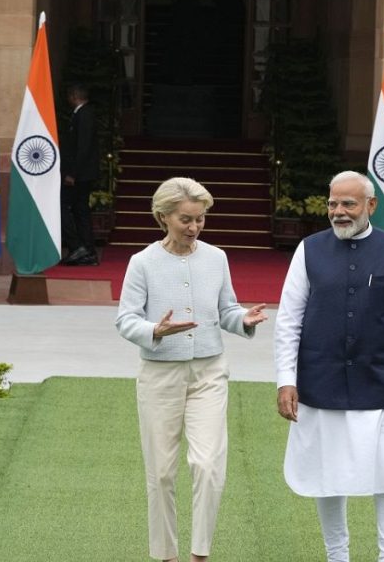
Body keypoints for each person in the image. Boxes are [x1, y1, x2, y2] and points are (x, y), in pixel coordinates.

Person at [274, 170, 384, 562]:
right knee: (328, 476)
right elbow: (288, 320)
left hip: (383, 384)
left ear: (370, 206)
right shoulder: (308, 249)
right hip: (320, 382)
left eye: (348, 203)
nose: (339, 212)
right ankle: (337, 556)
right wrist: (285, 381)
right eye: (333, 203)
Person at [116, 177, 269, 562]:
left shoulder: (216, 258)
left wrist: (243, 319)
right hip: (159, 376)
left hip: (209, 373)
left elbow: (226, 310)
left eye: (200, 219)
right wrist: (155, 329)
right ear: (163, 216)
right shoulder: (143, 263)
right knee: (162, 472)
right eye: (186, 219)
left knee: (207, 464)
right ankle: (167, 556)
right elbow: (125, 320)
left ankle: (200, 555)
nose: (194, 227)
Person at [61, 83, 100, 266]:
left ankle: (77, 246)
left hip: (80, 174)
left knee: (62, 207)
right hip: (83, 173)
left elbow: (82, 147)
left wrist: (72, 173)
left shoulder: (84, 114)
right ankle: (87, 250)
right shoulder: (84, 114)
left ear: (74, 95)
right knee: (80, 210)